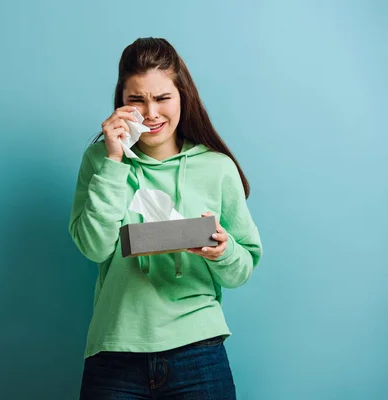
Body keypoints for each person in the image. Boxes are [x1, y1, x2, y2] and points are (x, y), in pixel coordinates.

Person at [68, 37, 263, 399]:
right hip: (115, 352)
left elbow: (242, 269)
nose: (151, 113)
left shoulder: (216, 168)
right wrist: (114, 161)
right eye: (136, 100)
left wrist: (223, 249)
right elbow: (95, 248)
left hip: (198, 350)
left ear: (182, 97)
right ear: (121, 103)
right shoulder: (99, 160)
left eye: (162, 98)